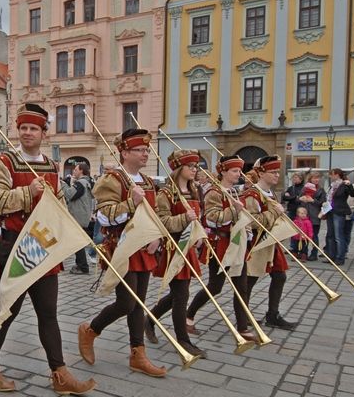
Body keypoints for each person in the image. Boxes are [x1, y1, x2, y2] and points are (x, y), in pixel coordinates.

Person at [0, 103, 95, 395]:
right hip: (15, 247)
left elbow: (58, 205)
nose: (27, 133)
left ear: (44, 132)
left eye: (34, 128)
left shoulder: (51, 165)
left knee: (49, 313)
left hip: (43, 249)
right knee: (7, 310)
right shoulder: (4, 162)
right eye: (23, 128)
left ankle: (59, 373)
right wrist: (27, 192)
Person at [78, 128, 167, 376]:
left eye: (147, 149)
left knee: (139, 303)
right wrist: (132, 202)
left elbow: (157, 215)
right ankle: (91, 330)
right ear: (125, 152)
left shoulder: (149, 182)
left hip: (145, 249)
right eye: (140, 150)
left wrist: (157, 238)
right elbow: (104, 217)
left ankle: (138, 354)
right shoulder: (112, 179)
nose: (145, 154)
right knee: (127, 302)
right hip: (122, 248)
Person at [184, 155, 256, 339]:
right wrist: (234, 210)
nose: (239, 174)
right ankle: (189, 315)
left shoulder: (235, 192)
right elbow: (211, 218)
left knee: (242, 285)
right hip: (221, 244)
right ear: (223, 171)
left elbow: (241, 217)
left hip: (237, 242)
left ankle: (242, 328)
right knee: (215, 287)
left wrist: (247, 230)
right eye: (234, 170)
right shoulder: (214, 192)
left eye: (239, 171)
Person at [143, 149, 205, 357]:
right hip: (173, 249)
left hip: (188, 247)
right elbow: (163, 222)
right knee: (181, 295)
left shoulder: (194, 190)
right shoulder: (166, 193)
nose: (195, 170)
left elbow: (197, 219)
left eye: (196, 166)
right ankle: (183, 340)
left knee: (178, 294)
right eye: (191, 166)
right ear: (179, 168)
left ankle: (149, 320)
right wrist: (185, 220)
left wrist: (198, 236)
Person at [240, 156, 298, 330]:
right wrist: (274, 213)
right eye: (272, 172)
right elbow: (250, 221)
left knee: (280, 275)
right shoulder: (252, 194)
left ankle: (273, 314)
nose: (276, 175)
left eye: (277, 172)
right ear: (261, 173)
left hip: (271, 240)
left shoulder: (271, 193)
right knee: (250, 279)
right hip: (258, 242)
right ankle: (243, 315)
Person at [63, 161, 95, 275]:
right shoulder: (87, 182)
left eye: (76, 170)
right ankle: (80, 264)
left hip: (78, 217)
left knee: (77, 243)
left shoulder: (81, 183)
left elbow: (69, 194)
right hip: (82, 216)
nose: (73, 172)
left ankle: (82, 266)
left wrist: (62, 183)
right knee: (77, 242)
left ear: (81, 170)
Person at [324, 168, 354, 264]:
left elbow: (353, 194)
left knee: (339, 236)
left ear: (337, 175)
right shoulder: (332, 185)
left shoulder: (344, 184)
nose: (330, 176)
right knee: (330, 235)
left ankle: (340, 257)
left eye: (331, 174)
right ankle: (331, 256)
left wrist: (350, 185)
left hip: (339, 211)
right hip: (330, 211)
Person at [298, 172, 326, 261]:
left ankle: (314, 254)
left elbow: (323, 203)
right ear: (310, 179)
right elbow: (299, 198)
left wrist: (313, 200)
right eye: (314, 178)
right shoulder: (305, 188)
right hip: (305, 215)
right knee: (304, 235)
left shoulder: (321, 190)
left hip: (315, 216)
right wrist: (301, 199)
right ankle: (304, 253)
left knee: (314, 236)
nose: (316, 180)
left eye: (318, 178)